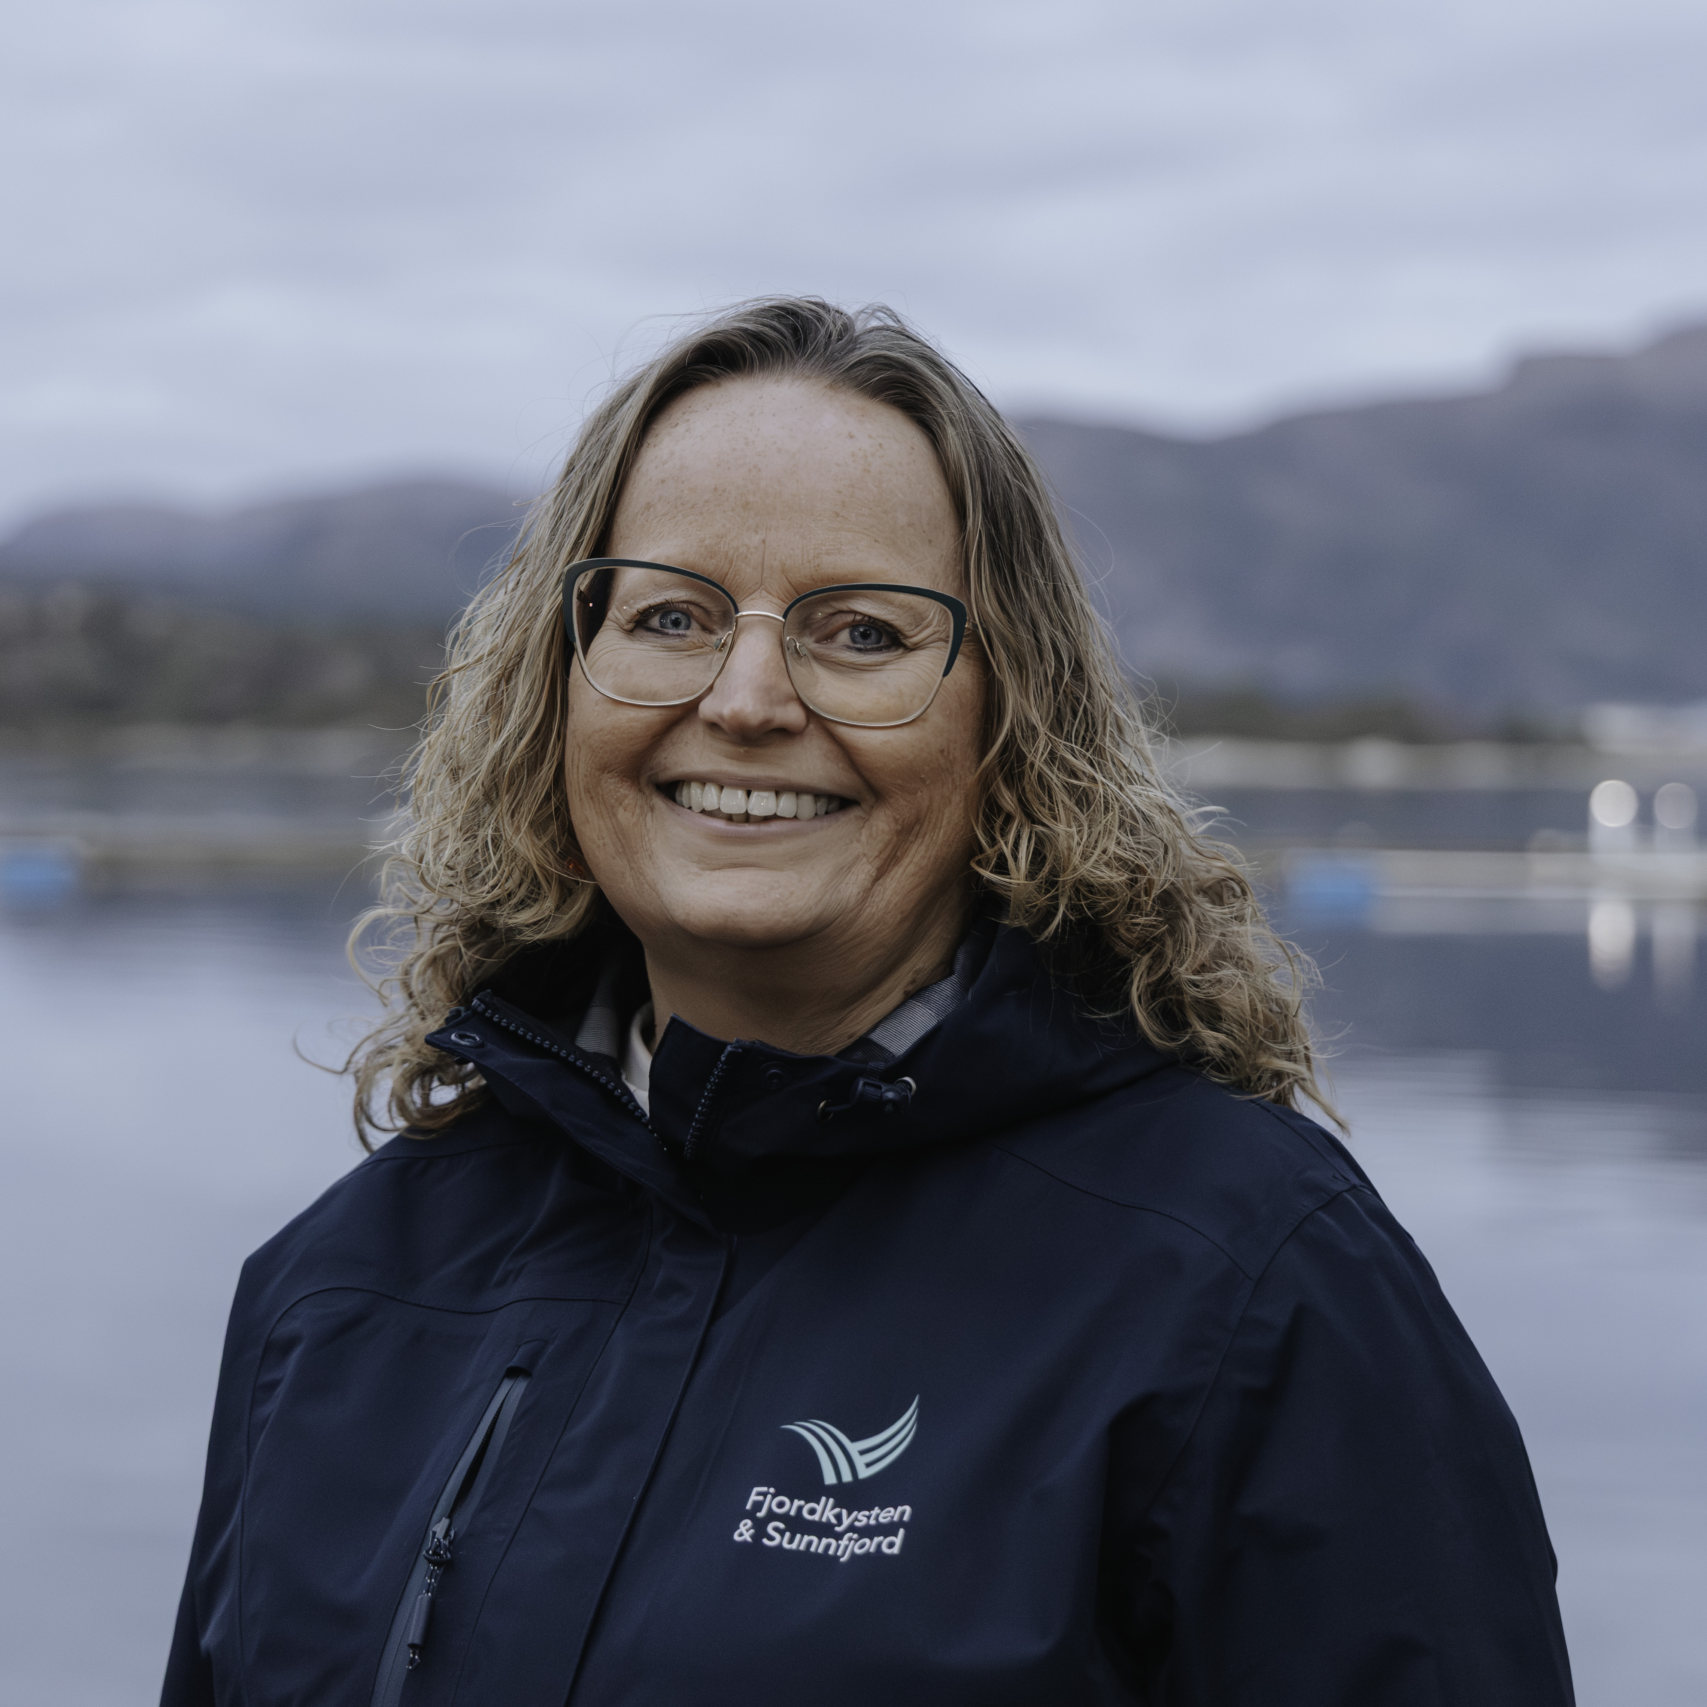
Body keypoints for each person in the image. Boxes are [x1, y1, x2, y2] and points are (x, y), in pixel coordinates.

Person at [162, 298, 1574, 1706]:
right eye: (669, 615)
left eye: (859, 631)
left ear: (1009, 722)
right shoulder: (337, 1289)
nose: (748, 699)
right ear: (560, 684)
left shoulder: (1250, 1287)